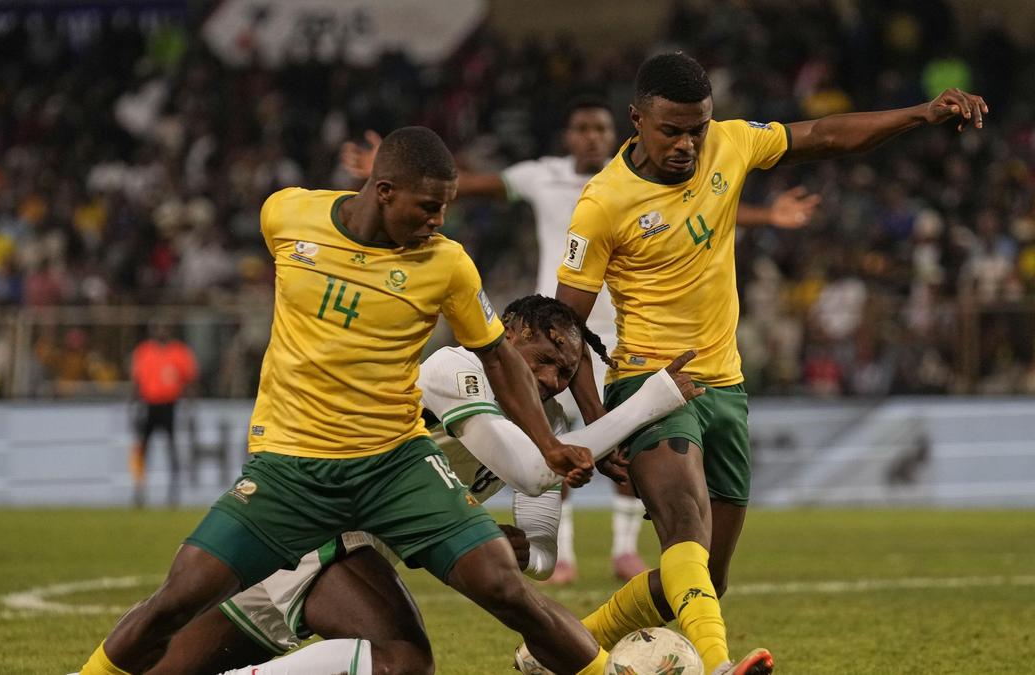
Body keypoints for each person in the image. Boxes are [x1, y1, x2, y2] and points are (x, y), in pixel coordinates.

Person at [78, 126, 613, 675]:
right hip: (292, 466)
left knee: (504, 589)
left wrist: (549, 444)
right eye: (428, 207)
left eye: (445, 207)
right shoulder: (287, 215)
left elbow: (498, 356)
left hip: (394, 465)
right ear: (384, 191)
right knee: (176, 600)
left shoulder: (448, 264)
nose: (439, 221)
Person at [550, 52, 988, 675]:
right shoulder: (603, 202)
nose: (686, 144)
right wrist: (600, 426)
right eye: (671, 130)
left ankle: (552, 648)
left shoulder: (730, 144)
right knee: (684, 529)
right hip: (648, 383)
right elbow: (562, 330)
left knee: (707, 579)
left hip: (725, 385)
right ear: (637, 119)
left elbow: (826, 135)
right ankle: (718, 665)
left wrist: (921, 113)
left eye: (697, 128)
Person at [342, 97, 819, 584]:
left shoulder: (635, 184)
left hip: (615, 334)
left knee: (599, 446)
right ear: (569, 136)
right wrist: (394, 171)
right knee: (564, 444)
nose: (591, 137)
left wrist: (767, 216)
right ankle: (567, 549)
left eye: (598, 129)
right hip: (555, 326)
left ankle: (623, 547)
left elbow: (704, 209)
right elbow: (471, 185)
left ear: (615, 132)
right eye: (582, 128)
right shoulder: (543, 176)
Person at [142, 295, 702, 675]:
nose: (552, 380)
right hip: (319, 523)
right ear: (509, 335)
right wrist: (652, 400)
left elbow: (542, 540)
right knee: (406, 660)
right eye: (545, 359)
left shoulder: (549, 423)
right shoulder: (454, 369)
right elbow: (532, 470)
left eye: (565, 372)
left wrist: (528, 551)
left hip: (352, 546)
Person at [129, 322, 198, 508]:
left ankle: (173, 491)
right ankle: (139, 489)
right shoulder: (144, 351)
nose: (161, 332)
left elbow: (189, 381)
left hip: (169, 405)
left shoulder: (179, 352)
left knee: (171, 449)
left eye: (164, 328)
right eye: (157, 328)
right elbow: (137, 381)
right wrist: (132, 405)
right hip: (149, 405)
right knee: (142, 449)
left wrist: (190, 405)